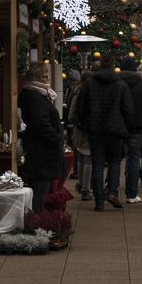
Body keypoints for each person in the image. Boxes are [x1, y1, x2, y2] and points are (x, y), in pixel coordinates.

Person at [70, 53, 134, 210]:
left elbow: (81, 107)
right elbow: (128, 109)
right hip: (115, 129)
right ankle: (112, 191)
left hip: (95, 129)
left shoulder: (90, 84)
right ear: (113, 65)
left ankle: (99, 200)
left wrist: (86, 124)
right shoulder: (120, 85)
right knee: (114, 162)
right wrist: (123, 125)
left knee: (97, 163)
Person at [17, 64, 64, 213]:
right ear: (35, 78)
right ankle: (36, 221)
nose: (47, 79)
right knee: (39, 191)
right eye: (44, 76)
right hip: (41, 152)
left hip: (41, 151)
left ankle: (37, 220)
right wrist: (56, 138)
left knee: (41, 189)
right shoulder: (34, 96)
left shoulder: (36, 94)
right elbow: (41, 123)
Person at [118, 57, 142, 204]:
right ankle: (131, 193)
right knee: (133, 159)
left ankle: (111, 188)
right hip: (136, 127)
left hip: (118, 126)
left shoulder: (117, 84)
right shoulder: (141, 86)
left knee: (114, 159)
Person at [64, 69, 90, 200]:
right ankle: (85, 188)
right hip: (90, 130)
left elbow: (70, 115)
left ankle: (80, 184)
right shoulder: (92, 94)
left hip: (78, 130)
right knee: (88, 159)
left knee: (80, 157)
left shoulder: (76, 93)